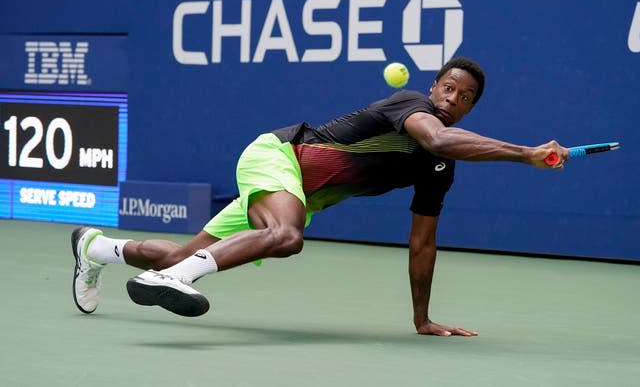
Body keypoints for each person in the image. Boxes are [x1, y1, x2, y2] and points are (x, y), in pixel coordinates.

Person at [71, 57, 568, 336]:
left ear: (470, 108)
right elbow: (435, 137)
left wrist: (422, 319)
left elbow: (423, 244)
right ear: (432, 87)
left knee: (189, 249)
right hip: (278, 156)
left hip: (295, 190)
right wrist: (525, 153)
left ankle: (95, 249)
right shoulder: (411, 105)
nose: (452, 99)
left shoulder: (440, 168)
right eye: (448, 88)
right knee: (286, 236)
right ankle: (174, 279)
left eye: (464, 98)